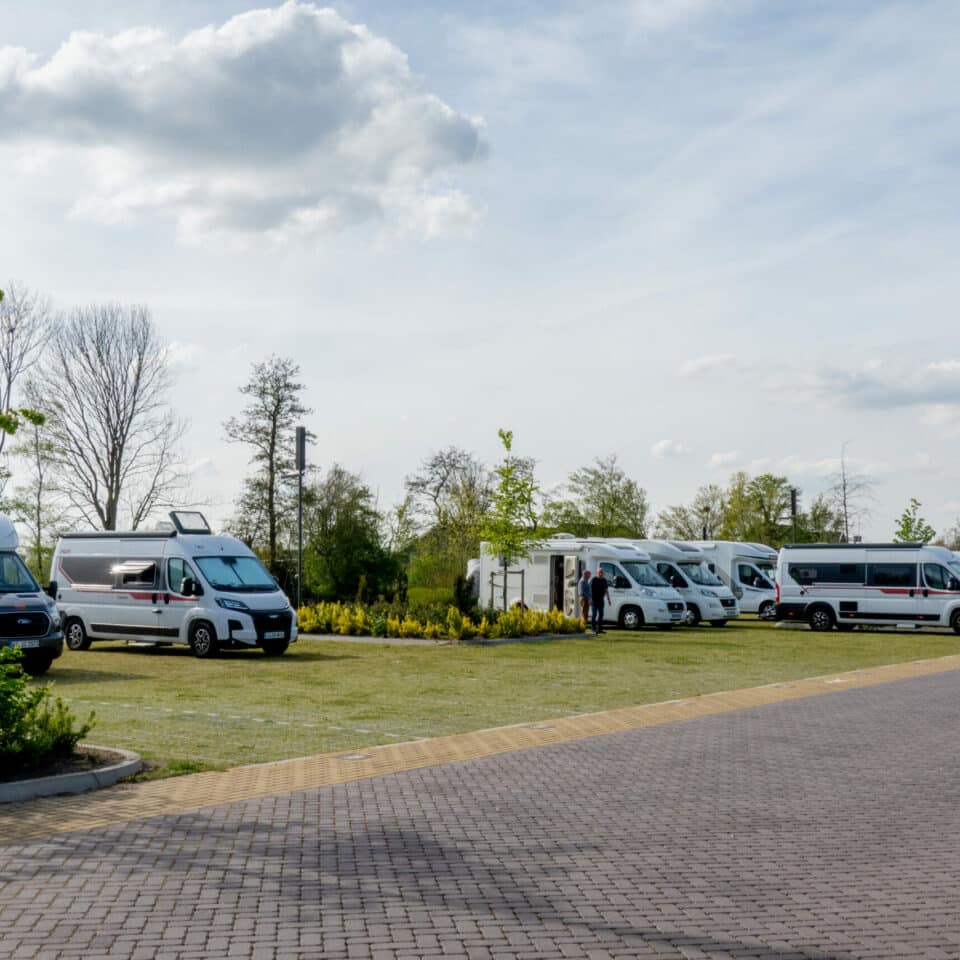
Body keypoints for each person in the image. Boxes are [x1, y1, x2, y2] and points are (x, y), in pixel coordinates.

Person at [590, 567, 611, 634]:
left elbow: (606, 590)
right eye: (600, 572)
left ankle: (599, 629)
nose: (601, 573)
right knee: (594, 614)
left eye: (602, 572)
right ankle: (593, 628)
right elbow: (590, 590)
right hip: (594, 600)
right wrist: (590, 599)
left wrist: (608, 599)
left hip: (601, 600)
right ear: (597, 573)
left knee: (601, 614)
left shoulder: (604, 580)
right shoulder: (594, 580)